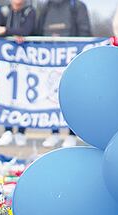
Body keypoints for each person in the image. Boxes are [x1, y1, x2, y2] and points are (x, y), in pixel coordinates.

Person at [37, 0, 89, 147]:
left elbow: (85, 32)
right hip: (51, 62)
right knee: (52, 98)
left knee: (72, 98)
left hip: (71, 60)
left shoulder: (77, 6)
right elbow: (39, 31)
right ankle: (54, 132)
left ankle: (72, 134)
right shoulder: (47, 6)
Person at [0, 0, 36, 147]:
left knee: (23, 94)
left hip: (25, 62)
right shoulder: (2, 11)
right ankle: (7, 130)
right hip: (6, 63)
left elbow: (27, 30)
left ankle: (21, 131)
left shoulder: (30, 11)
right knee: (6, 93)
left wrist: (6, 31)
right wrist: (14, 32)